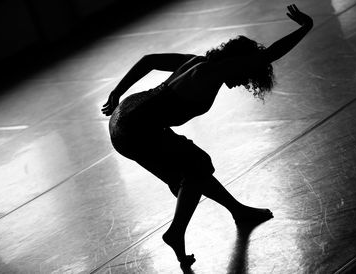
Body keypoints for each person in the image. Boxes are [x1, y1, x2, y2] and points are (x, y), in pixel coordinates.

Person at [101, 4, 313, 268]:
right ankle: (176, 233)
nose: (244, 82)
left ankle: (237, 211)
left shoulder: (196, 61)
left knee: (190, 173)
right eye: (246, 75)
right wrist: (306, 27)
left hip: (127, 120)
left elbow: (150, 60)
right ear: (237, 62)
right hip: (136, 128)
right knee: (197, 166)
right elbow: (269, 54)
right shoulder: (213, 71)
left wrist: (117, 93)